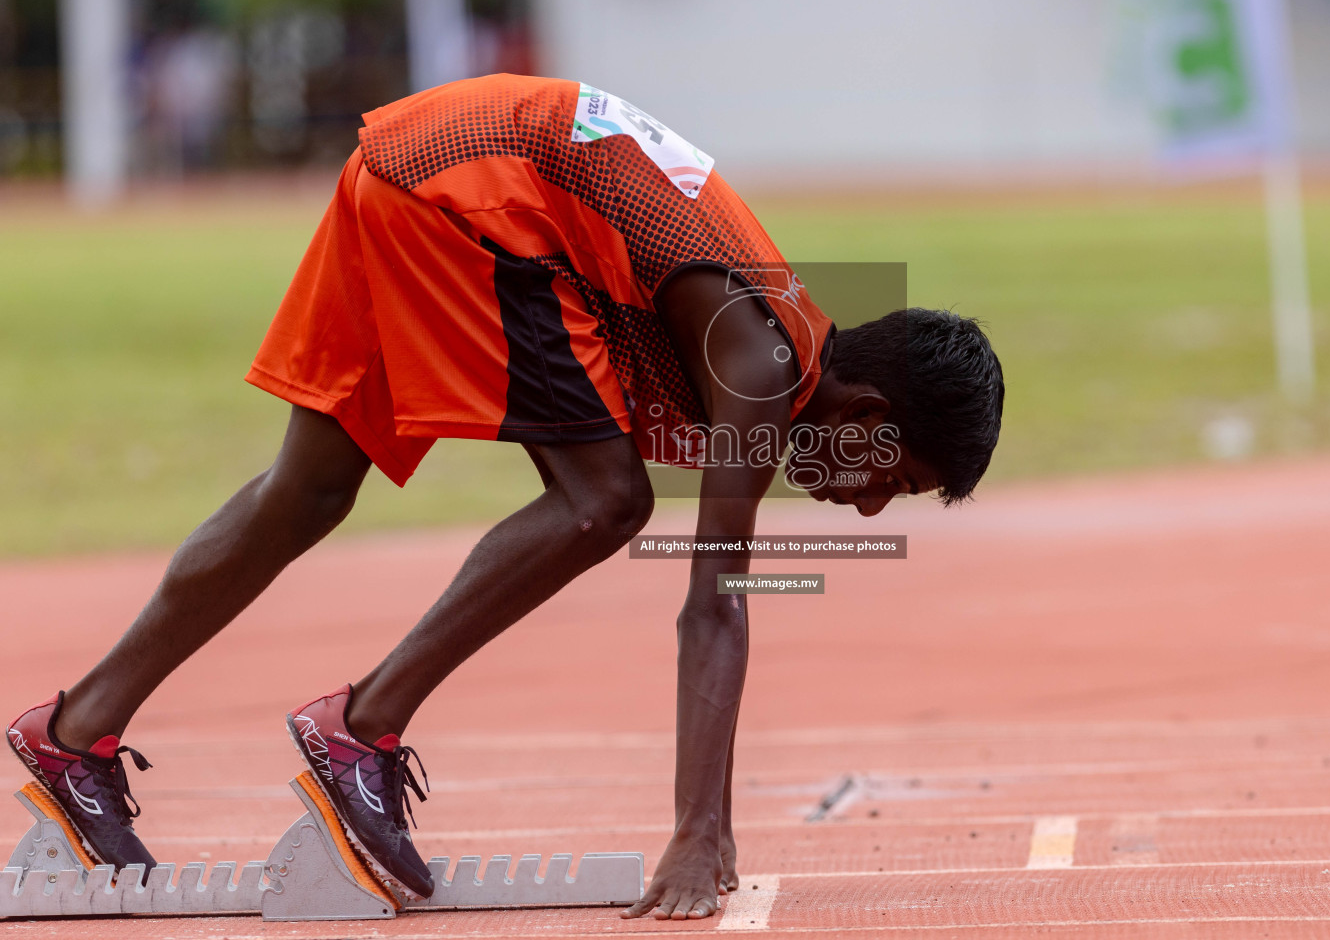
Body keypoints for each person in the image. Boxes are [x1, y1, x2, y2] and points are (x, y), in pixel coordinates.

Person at [6, 75, 1004, 920]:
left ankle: (73, 733)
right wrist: (703, 829)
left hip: (414, 170)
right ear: (868, 411)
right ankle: (360, 723)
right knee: (605, 501)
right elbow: (716, 602)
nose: (870, 510)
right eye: (893, 481)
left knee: (306, 491)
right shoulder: (757, 362)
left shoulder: (771, 335)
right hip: (472, 190)